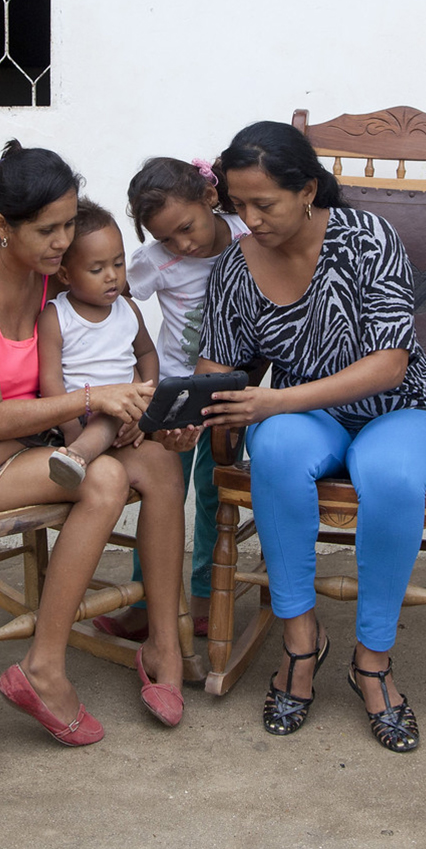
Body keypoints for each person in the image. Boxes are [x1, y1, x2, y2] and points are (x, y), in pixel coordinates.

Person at [0, 141, 190, 745]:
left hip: (33, 436)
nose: (63, 242)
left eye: (68, 224)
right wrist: (96, 400)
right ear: (3, 225)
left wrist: (132, 408)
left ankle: (165, 643)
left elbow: (93, 355)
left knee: (161, 462)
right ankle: (44, 666)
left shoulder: (44, 281)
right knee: (105, 477)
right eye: (48, 229)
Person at [194, 121, 426, 754]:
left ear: (307, 189)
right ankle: (301, 644)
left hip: (403, 410)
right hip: (306, 421)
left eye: (265, 203)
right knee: (277, 448)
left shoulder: (367, 238)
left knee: (389, 473)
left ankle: (374, 662)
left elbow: (389, 363)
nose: (249, 218)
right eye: (237, 204)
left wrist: (275, 399)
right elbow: (219, 368)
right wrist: (189, 406)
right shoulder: (235, 268)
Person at [92, 156, 249, 642]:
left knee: (213, 490)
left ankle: (204, 595)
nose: (182, 243)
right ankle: (146, 599)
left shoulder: (249, 238)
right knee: (162, 493)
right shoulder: (156, 262)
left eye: (186, 228)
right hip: (173, 397)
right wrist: (136, 369)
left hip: (230, 392)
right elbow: (115, 299)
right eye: (166, 238)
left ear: (210, 197)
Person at [37, 198, 158, 485]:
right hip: (77, 416)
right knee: (105, 414)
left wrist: (147, 406)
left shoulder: (127, 309)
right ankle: (77, 453)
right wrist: (69, 429)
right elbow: (50, 381)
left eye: (118, 263)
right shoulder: (57, 316)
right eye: (96, 270)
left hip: (126, 415)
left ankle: (80, 454)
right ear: (65, 274)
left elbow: (147, 354)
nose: (112, 276)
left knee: (121, 420)